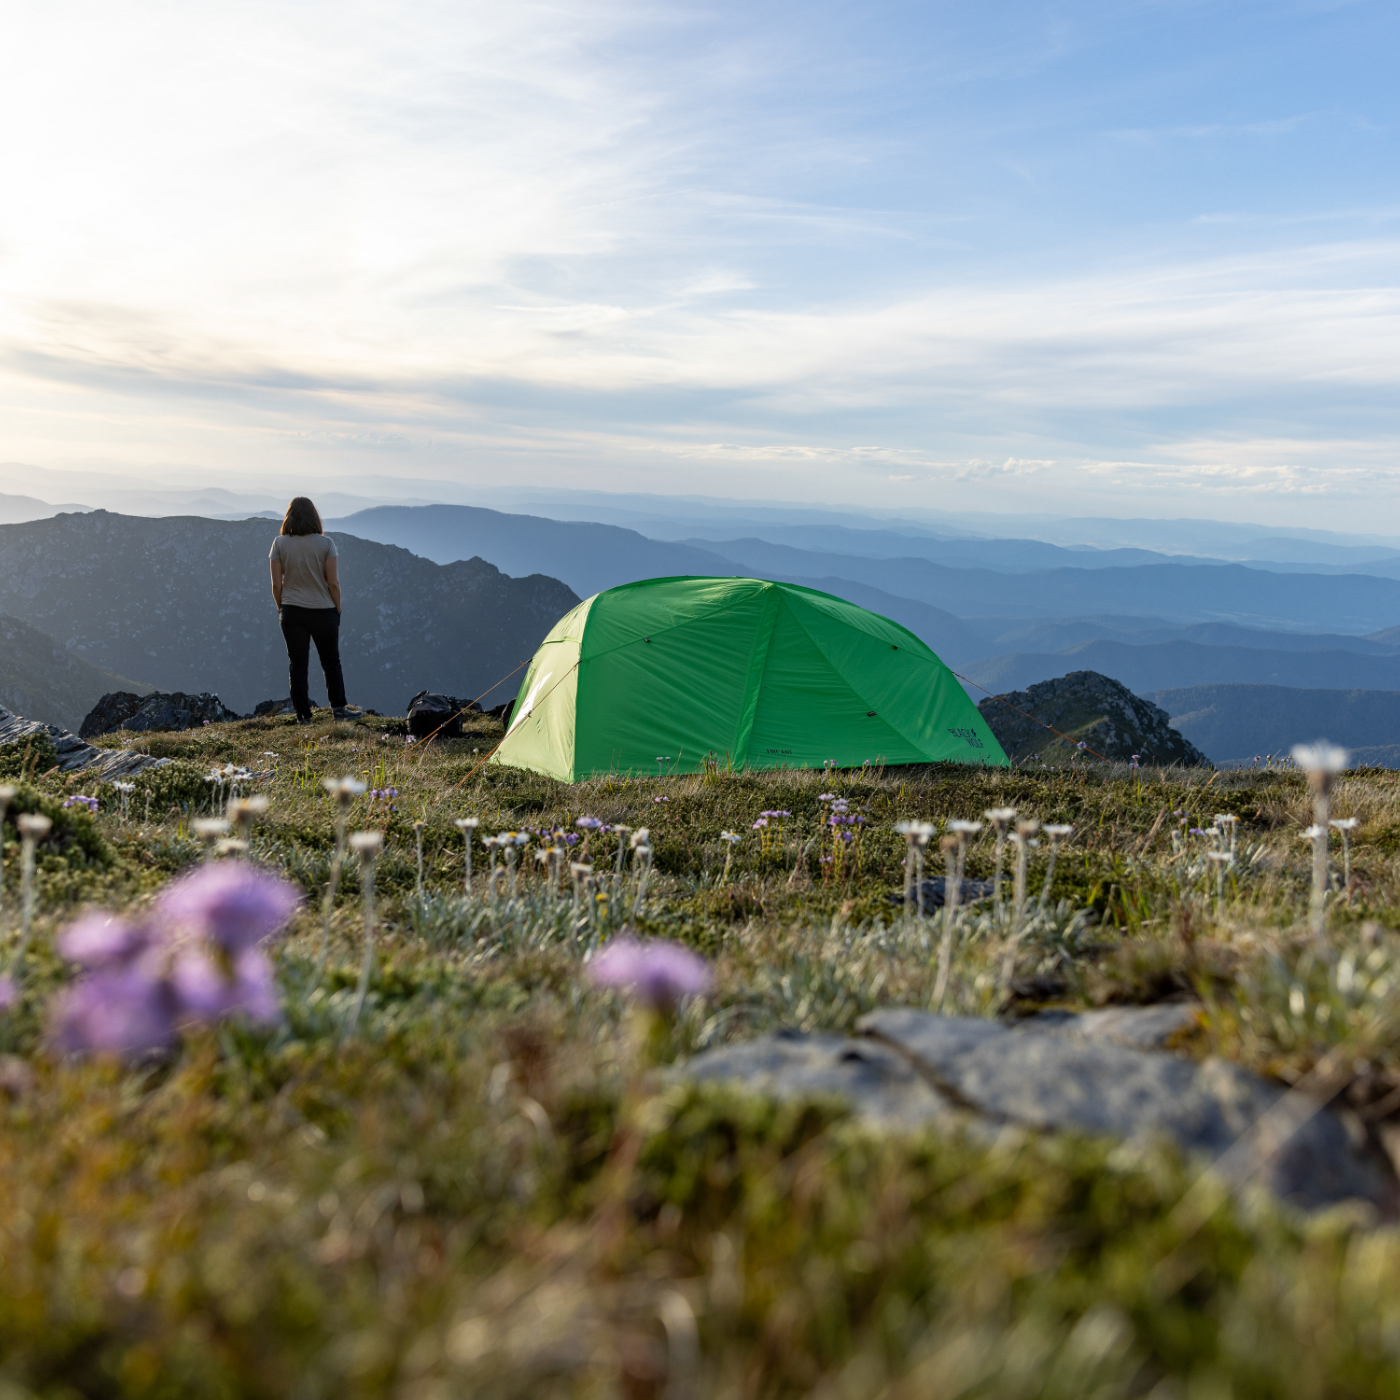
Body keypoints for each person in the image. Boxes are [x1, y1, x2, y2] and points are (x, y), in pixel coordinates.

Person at [269, 497, 352, 723]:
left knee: (297, 664)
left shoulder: (279, 544)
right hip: (324, 610)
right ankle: (339, 710)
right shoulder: (326, 544)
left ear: (289, 517)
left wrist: (282, 607)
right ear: (315, 517)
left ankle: (303, 716)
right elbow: (333, 583)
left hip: (292, 611)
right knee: (331, 662)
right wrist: (338, 608)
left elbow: (276, 584)